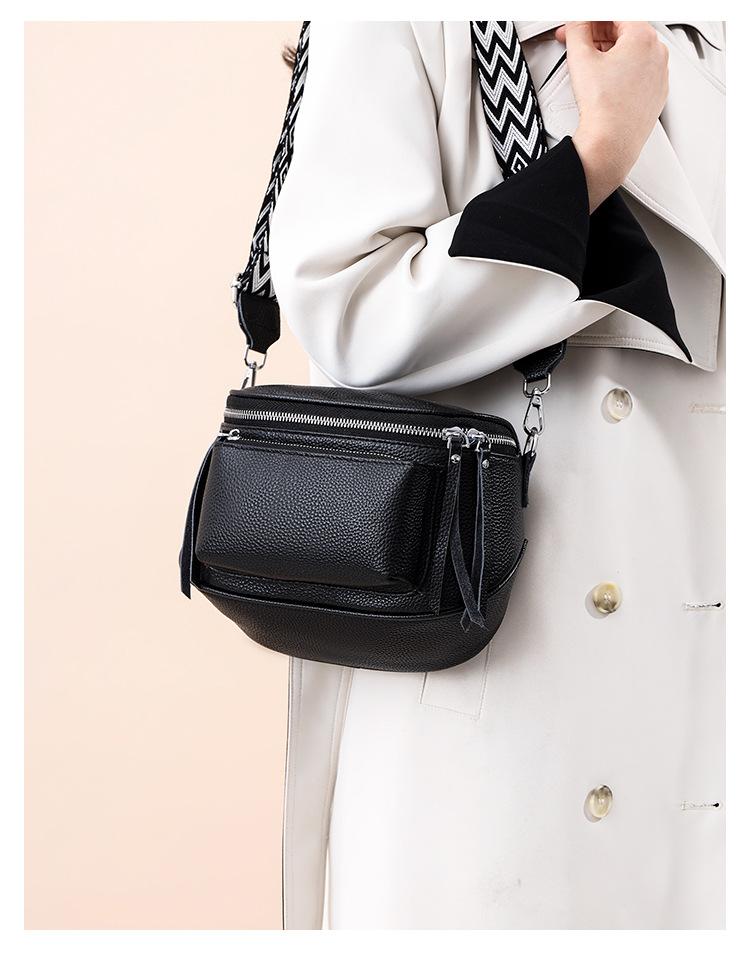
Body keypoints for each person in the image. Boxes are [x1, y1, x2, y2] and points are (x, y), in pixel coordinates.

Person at [266, 21, 725, 929]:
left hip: (693, 692)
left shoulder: (714, 40)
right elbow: (348, 312)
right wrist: (595, 160)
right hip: (486, 698)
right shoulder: (406, 23)